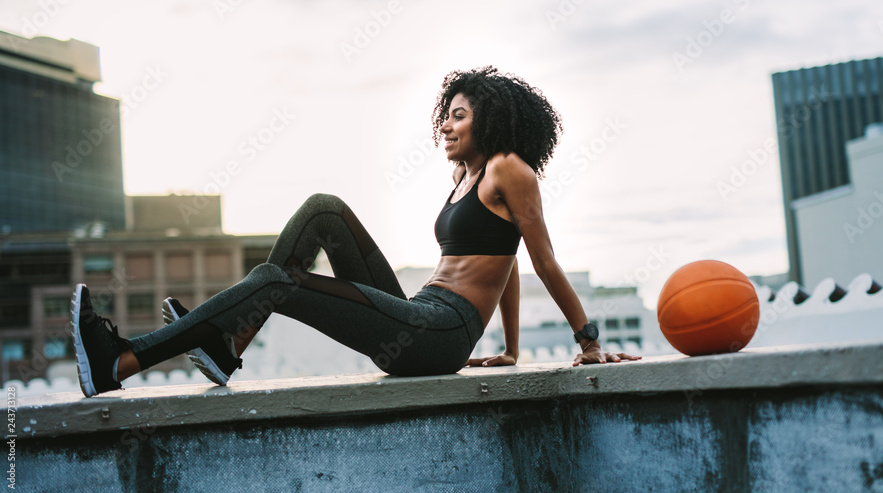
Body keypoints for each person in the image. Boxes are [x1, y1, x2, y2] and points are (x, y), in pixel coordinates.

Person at [71, 66, 641, 398]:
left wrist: (587, 341)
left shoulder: (509, 168)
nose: (446, 123)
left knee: (277, 280)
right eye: (447, 112)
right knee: (324, 208)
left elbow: (539, 258)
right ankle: (229, 344)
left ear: (489, 121)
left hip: (438, 333)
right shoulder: (466, 176)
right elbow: (503, 257)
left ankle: (121, 363)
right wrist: (511, 350)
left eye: (459, 114)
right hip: (418, 313)